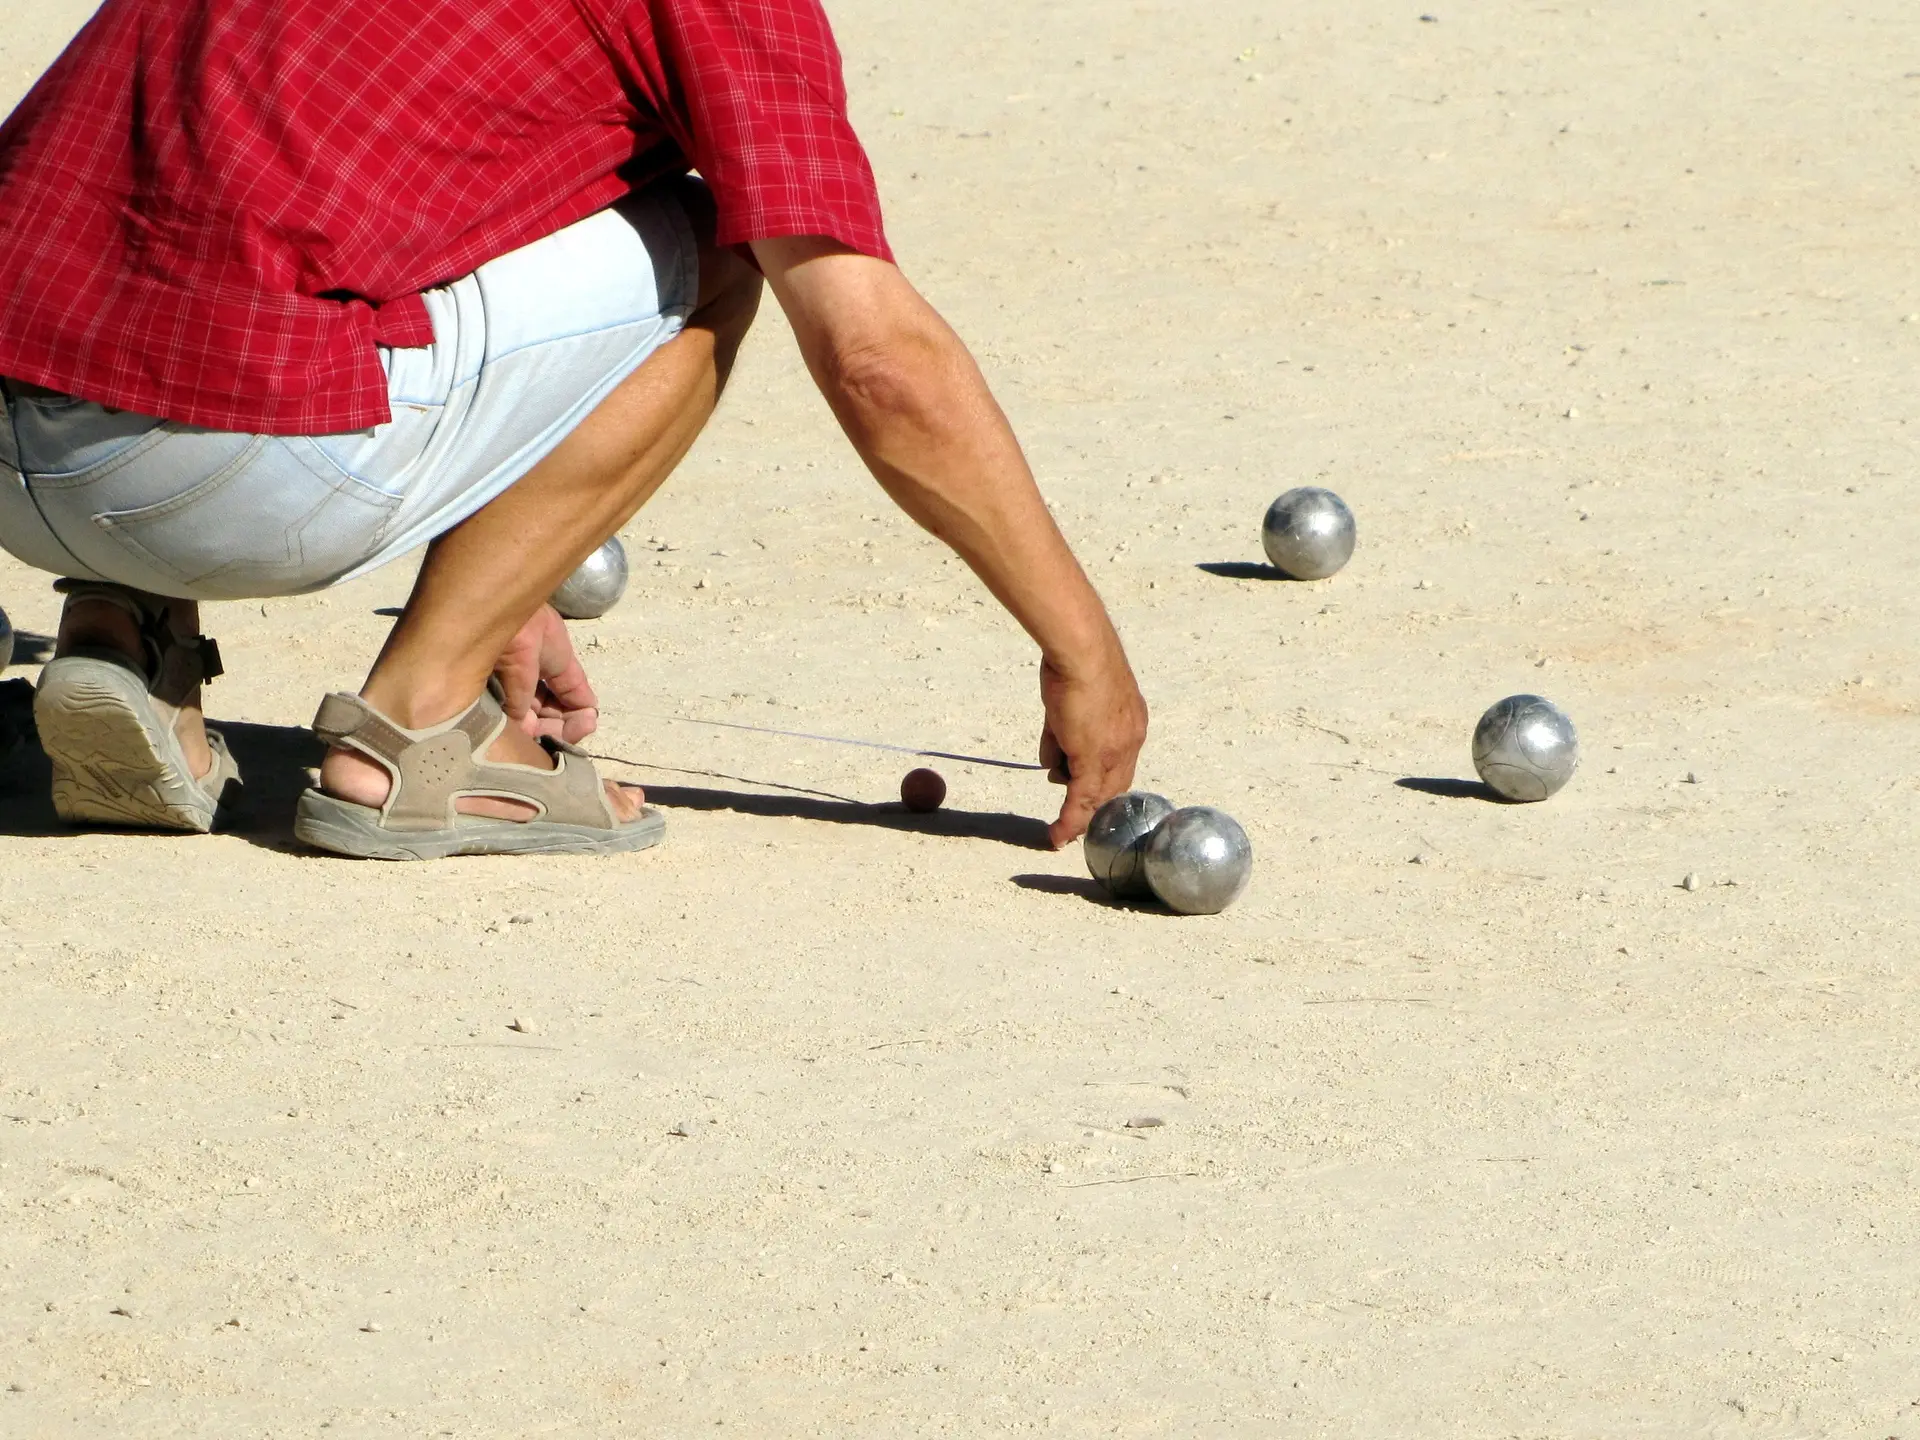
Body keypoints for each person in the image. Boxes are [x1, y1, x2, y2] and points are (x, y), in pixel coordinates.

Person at [0, 0, 1147, 859]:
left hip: (16, 449)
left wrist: (510, 563)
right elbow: (875, 360)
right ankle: (413, 729)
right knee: (722, 245)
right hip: (229, 480)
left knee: (229, 145)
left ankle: (127, 636)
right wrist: (1082, 650)